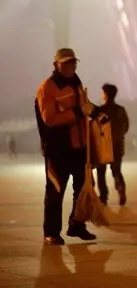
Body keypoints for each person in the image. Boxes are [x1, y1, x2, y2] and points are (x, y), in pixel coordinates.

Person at [34, 48, 98, 245]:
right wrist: (79, 112)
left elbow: (84, 105)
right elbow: (50, 118)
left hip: (78, 147)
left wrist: (96, 112)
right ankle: (51, 231)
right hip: (57, 149)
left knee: (83, 188)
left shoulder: (76, 83)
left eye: (73, 63)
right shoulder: (48, 87)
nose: (71, 66)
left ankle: (77, 225)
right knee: (55, 191)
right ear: (56, 65)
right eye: (66, 63)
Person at [94, 83, 130, 206]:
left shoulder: (100, 111)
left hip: (103, 147)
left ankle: (103, 197)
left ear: (105, 95)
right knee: (116, 171)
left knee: (101, 172)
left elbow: (95, 128)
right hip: (118, 147)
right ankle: (120, 189)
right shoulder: (121, 110)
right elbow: (126, 127)